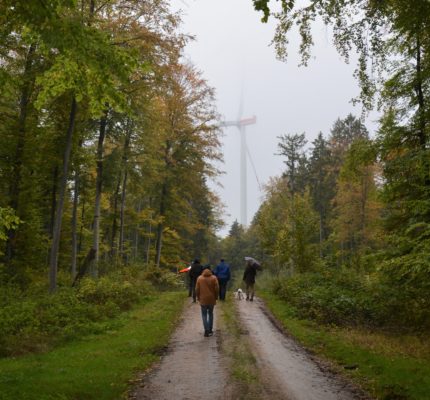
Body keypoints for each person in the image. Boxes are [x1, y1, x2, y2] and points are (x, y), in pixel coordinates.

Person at [195, 265, 219, 337]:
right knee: (210, 314)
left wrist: (198, 297)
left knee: (204, 315)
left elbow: (197, 289)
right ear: (210, 270)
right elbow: (217, 288)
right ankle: (210, 330)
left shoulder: (199, 278)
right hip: (211, 299)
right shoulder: (214, 278)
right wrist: (216, 296)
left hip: (203, 299)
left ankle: (206, 330)